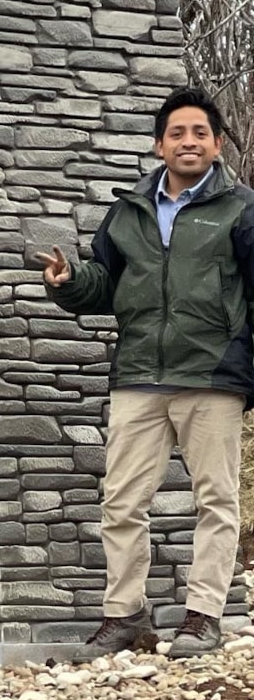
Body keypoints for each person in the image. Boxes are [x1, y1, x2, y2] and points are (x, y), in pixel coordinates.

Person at [39, 86, 254, 658]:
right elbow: (105, 285)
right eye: (177, 133)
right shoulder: (128, 211)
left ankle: (203, 617)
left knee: (216, 501)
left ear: (217, 144)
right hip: (138, 376)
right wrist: (69, 282)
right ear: (159, 145)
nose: (189, 141)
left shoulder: (242, 209)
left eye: (200, 133)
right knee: (121, 502)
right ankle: (125, 616)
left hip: (212, 375)